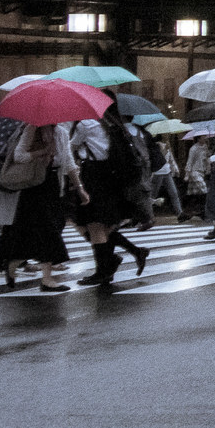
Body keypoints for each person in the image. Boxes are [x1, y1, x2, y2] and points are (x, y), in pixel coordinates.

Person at [70, 107, 151, 291]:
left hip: (93, 175)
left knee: (94, 224)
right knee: (100, 225)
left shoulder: (85, 124)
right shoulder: (111, 124)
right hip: (111, 177)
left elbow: (71, 147)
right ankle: (128, 255)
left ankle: (104, 269)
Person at [0, 121, 72, 292]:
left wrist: (79, 187)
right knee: (48, 230)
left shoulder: (61, 132)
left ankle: (13, 262)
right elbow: (18, 156)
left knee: (39, 230)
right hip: (34, 184)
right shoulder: (32, 128)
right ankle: (47, 278)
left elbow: (68, 161)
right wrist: (43, 152)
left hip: (53, 184)